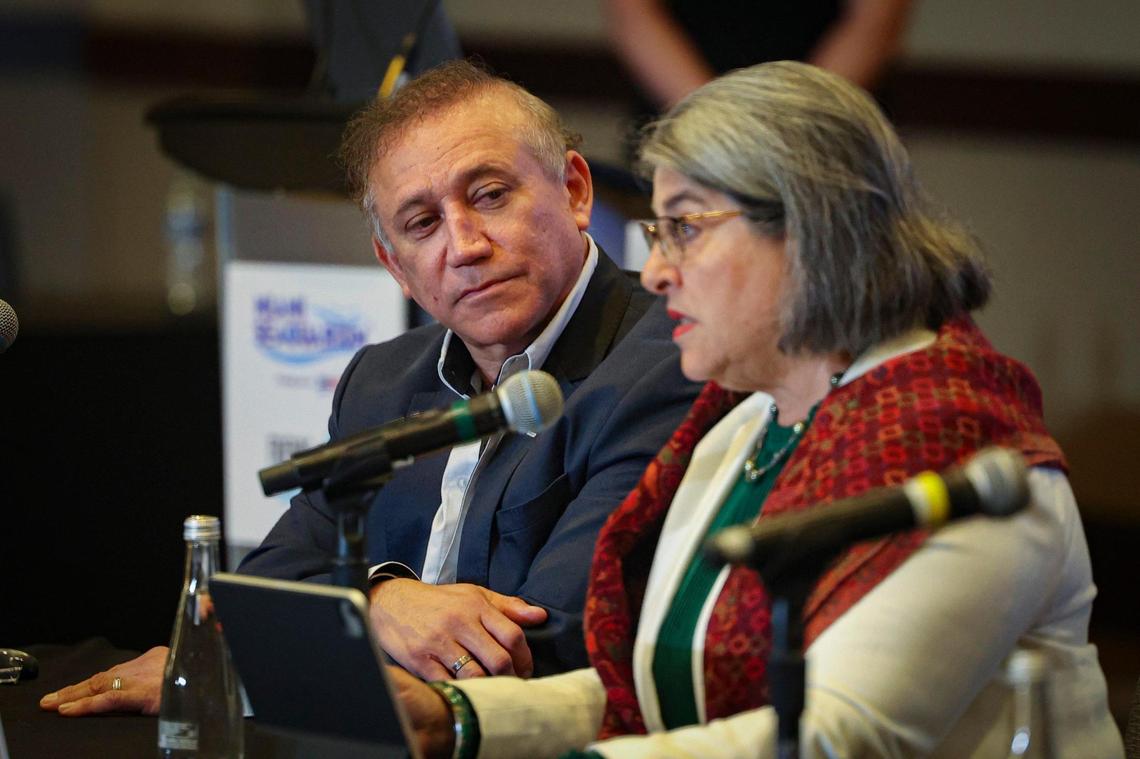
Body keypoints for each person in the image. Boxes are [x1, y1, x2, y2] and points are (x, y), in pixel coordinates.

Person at [389, 61, 1124, 758]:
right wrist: (457, 719)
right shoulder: (740, 428)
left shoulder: (974, 454)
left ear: (811, 231)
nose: (656, 271)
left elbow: (832, 736)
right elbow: (656, 694)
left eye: (684, 228)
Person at [38, 61, 697, 716]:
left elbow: (537, 651)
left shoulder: (668, 364)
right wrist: (379, 600)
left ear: (574, 191)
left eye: (490, 195)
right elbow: (266, 583)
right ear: (395, 266)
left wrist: (254, 673)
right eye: (422, 224)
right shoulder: (382, 381)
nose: (464, 245)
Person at [603, 0, 914, 112]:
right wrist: (714, 122)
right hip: (682, 117)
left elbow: (876, 19)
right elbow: (635, 14)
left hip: (824, 126)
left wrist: (793, 124)